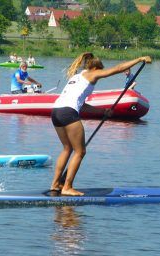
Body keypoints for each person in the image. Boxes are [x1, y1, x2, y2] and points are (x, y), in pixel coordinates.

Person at [50, 52, 151, 196]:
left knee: (67, 148)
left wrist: (102, 111)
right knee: (80, 151)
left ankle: (55, 184)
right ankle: (67, 187)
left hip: (56, 112)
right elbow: (118, 68)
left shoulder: (76, 77)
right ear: (95, 68)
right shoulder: (91, 75)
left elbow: (82, 105)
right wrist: (139, 59)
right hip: (68, 113)